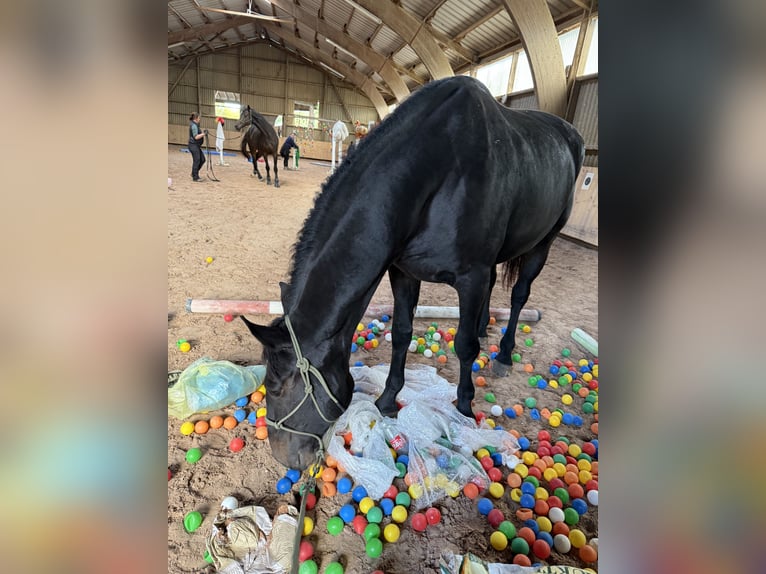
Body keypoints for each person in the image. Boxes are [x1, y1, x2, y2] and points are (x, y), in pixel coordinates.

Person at [188, 112, 206, 182]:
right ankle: (195, 177)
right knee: (197, 160)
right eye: (199, 118)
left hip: (196, 146)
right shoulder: (194, 125)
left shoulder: (195, 125)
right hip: (193, 145)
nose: (199, 119)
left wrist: (203, 133)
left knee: (202, 159)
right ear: (196, 118)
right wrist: (204, 134)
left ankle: (193, 173)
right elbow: (196, 137)